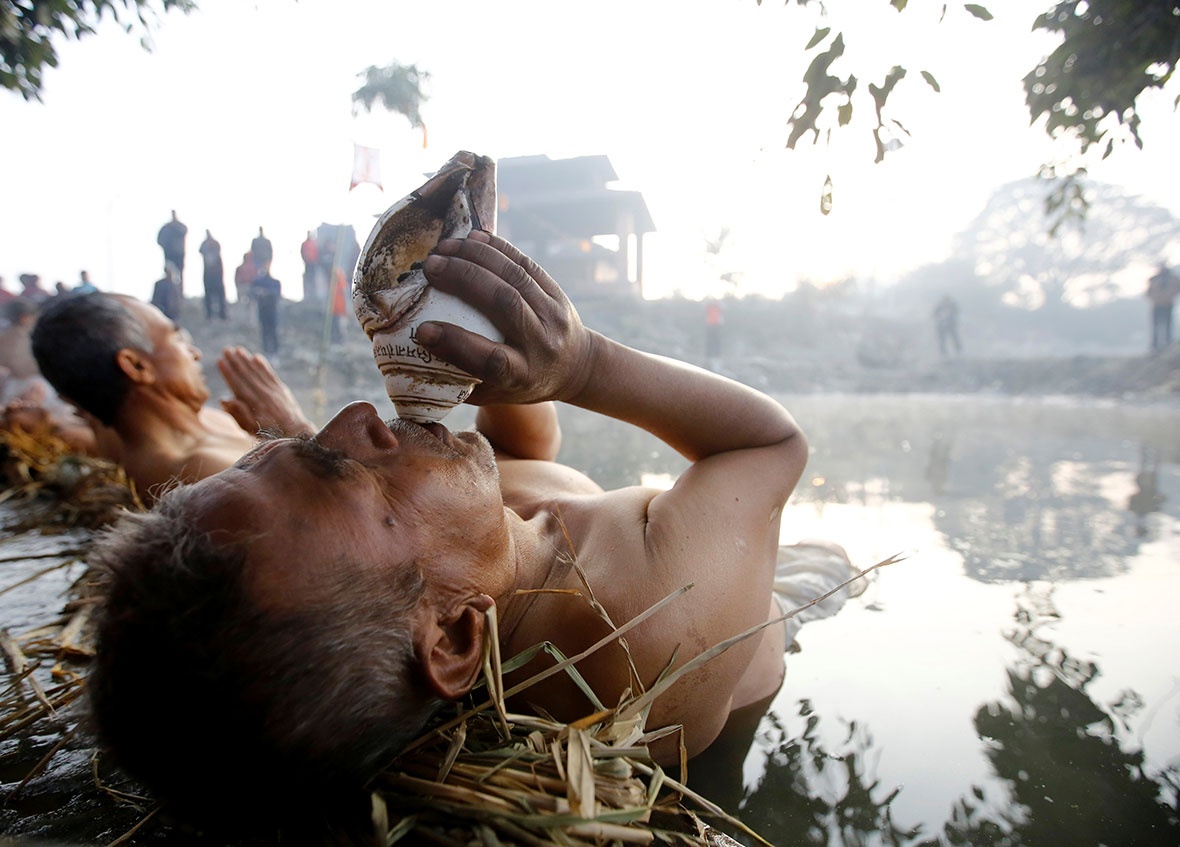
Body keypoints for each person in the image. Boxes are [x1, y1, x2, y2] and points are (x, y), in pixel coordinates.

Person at [86, 232, 861, 826]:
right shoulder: (651, 623)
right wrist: (584, 366)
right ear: (454, 640)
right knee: (838, 564)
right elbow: (767, 446)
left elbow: (527, 451)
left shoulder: (453, 557)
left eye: (304, 446)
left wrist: (498, 362)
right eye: (344, 469)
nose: (354, 418)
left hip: (685, 524)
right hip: (750, 598)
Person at [31, 292, 313, 502]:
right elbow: (330, 515)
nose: (195, 353)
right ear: (137, 366)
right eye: (177, 339)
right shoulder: (202, 474)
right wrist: (297, 431)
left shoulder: (119, 434)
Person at [1146, 262, 1178, 352]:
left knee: (1168, 326)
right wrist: (1154, 298)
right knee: (1155, 327)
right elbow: (1148, 292)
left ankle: (1168, 344)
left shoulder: (1173, 279)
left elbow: (1176, 290)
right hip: (1157, 305)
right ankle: (1154, 346)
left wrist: (1169, 295)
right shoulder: (1154, 279)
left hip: (1168, 305)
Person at [252, 267, 281, 357]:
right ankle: (267, 350)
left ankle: (275, 350)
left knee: (272, 331)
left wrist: (266, 293)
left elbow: (277, 294)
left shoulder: (274, 283)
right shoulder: (258, 282)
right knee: (265, 331)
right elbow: (253, 293)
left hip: (271, 310)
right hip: (264, 311)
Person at [199, 230, 227, 321]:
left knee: (220, 296)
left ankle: (222, 315)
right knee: (208, 296)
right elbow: (200, 250)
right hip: (208, 276)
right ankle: (209, 315)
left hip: (217, 276)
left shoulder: (215, 245)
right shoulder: (205, 246)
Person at [157, 211, 188, 291]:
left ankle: (179, 294)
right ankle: (168, 293)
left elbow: (184, 231)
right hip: (169, 255)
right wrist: (166, 246)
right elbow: (159, 240)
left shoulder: (180, 226)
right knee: (169, 273)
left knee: (180, 275)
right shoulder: (166, 228)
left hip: (179, 255)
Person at [300, 229, 320, 301]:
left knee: (313, 279)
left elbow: (317, 253)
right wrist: (305, 259)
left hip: (313, 264)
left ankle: (313, 295)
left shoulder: (314, 244)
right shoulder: (304, 244)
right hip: (308, 264)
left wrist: (315, 260)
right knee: (308, 278)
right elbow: (302, 252)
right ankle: (308, 295)